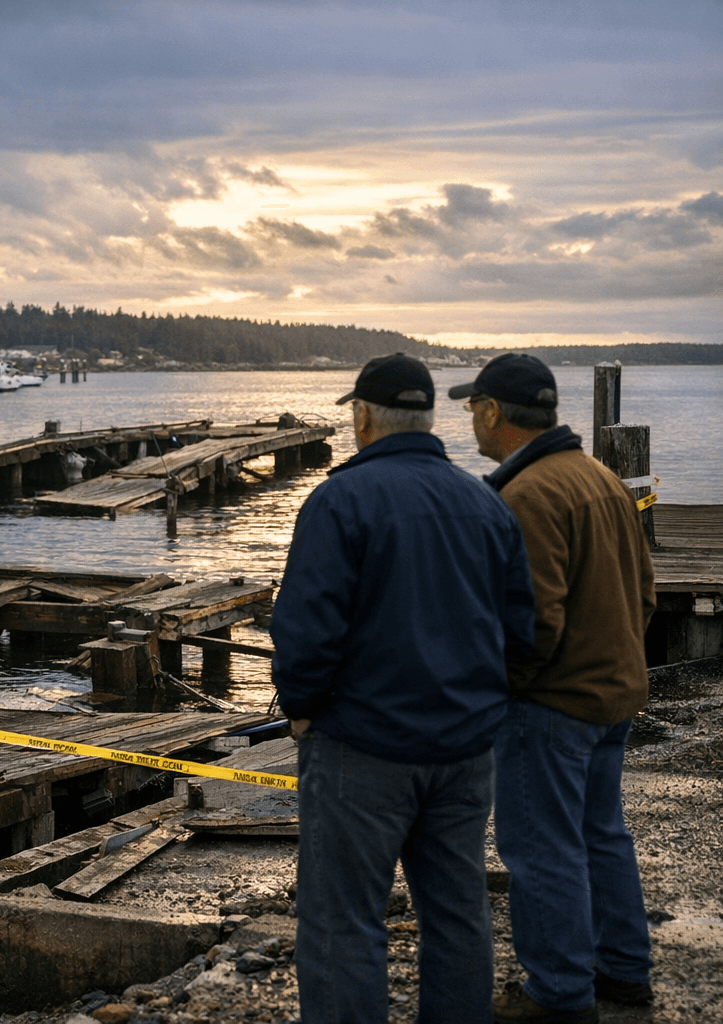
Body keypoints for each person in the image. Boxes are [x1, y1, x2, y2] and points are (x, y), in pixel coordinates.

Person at [273, 352, 536, 1024]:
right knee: (458, 915)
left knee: (342, 923)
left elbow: (307, 630)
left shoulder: (338, 500)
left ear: (361, 417)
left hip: (364, 747)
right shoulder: (485, 500)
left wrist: (302, 710)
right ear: (426, 417)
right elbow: (519, 629)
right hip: (465, 749)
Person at [450, 354, 656, 1023]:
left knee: (541, 848)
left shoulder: (527, 495)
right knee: (601, 833)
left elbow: (532, 621)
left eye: (471, 407)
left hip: (552, 706)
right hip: (614, 692)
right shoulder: (600, 478)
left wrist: (500, 692)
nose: (470, 421)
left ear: (491, 412)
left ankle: (559, 993)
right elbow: (646, 593)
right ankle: (624, 968)